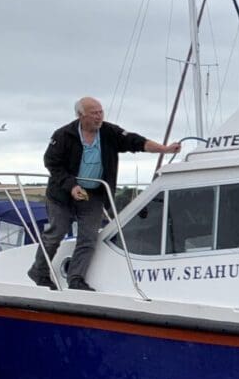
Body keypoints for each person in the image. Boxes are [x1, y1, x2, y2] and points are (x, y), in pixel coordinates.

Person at [28, 96, 180, 291]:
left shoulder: (109, 132)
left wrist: (165, 149)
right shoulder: (63, 135)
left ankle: (76, 278)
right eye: (94, 113)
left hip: (93, 194)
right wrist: (71, 186)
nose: (99, 117)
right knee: (56, 232)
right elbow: (51, 162)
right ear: (81, 116)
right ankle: (39, 271)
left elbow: (135, 141)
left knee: (89, 238)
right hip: (62, 194)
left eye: (101, 112)